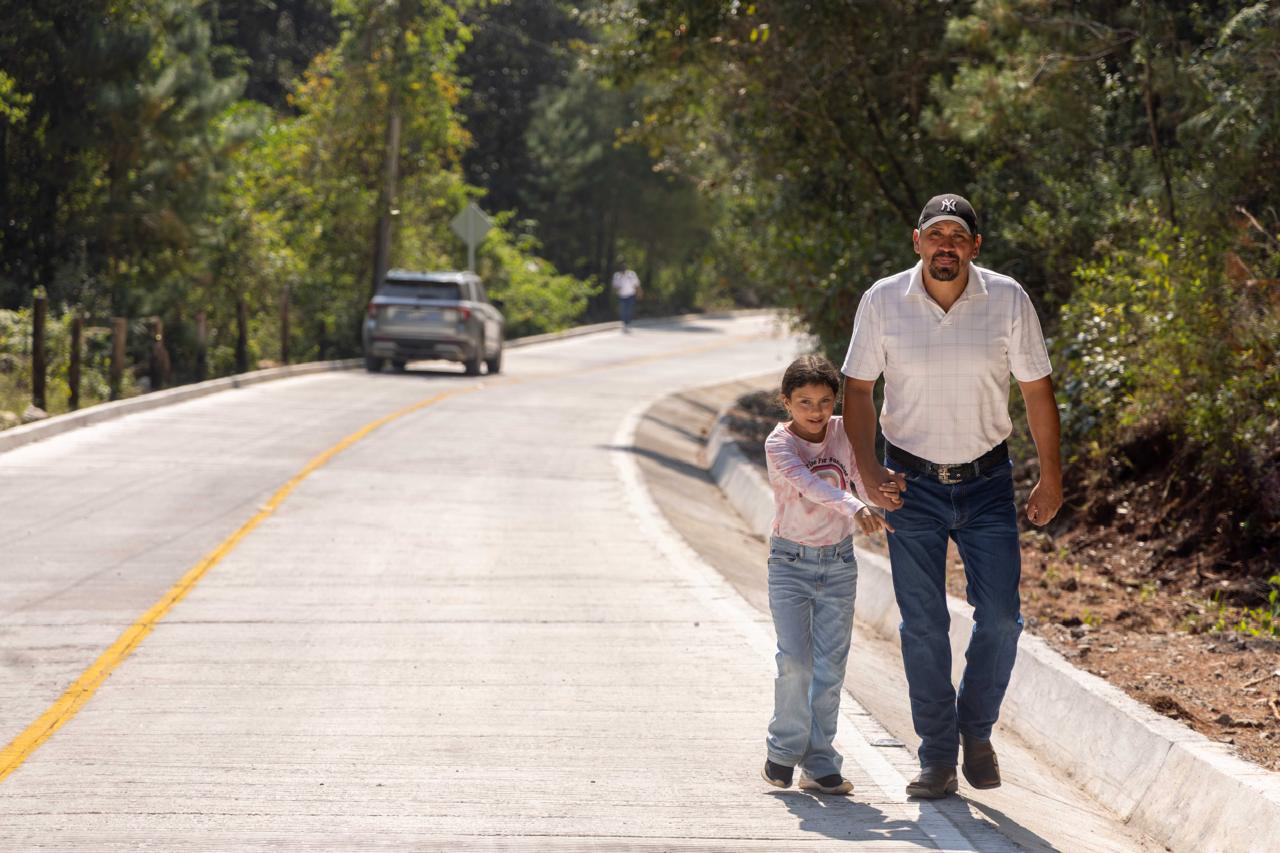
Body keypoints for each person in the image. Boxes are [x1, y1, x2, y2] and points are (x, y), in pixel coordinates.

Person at [841, 194, 1063, 799]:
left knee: (999, 620)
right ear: (917, 242)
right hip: (908, 484)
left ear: (974, 247)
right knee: (924, 624)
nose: (946, 245)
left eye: (957, 236)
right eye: (935, 234)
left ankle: (976, 728)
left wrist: (1052, 475)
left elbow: (1037, 390)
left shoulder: (1008, 298)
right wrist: (867, 471)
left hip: (988, 482)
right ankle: (937, 755)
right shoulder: (883, 300)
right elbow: (857, 390)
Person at [760, 355, 894, 796]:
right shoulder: (779, 445)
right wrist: (855, 507)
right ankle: (782, 751)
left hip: (838, 565)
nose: (815, 411)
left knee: (830, 669)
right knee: (796, 662)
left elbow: (858, 473)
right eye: (804, 402)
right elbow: (810, 485)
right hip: (790, 564)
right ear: (786, 402)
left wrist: (881, 489)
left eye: (823, 401)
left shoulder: (840, 431)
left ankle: (819, 763)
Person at [611, 261, 641, 331]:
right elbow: (614, 286)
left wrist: (639, 293)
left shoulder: (631, 274)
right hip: (621, 296)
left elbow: (637, 284)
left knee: (629, 310)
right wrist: (616, 290)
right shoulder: (617, 275)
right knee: (623, 310)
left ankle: (628, 322)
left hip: (630, 295)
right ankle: (624, 323)